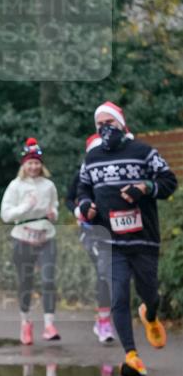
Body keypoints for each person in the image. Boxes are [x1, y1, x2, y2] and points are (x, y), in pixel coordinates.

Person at [77, 101, 178, 376]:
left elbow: (169, 181)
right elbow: (82, 188)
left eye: (109, 123)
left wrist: (145, 187)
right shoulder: (92, 158)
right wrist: (85, 205)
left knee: (149, 294)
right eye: (99, 125)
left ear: (121, 124)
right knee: (119, 296)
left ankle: (151, 314)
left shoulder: (143, 152)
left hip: (143, 239)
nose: (104, 129)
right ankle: (132, 356)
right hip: (110, 241)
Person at [0, 138, 60, 345]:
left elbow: (55, 207)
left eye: (36, 163)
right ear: (23, 165)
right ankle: (25, 323)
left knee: (48, 280)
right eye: (30, 163)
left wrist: (54, 214)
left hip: (46, 237)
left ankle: (49, 325)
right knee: (26, 282)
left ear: (41, 165)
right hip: (22, 238)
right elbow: (6, 215)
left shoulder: (49, 185)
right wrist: (25, 207)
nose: (33, 166)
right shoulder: (15, 186)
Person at [65, 133, 116, 344]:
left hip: (116, 231)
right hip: (91, 231)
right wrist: (79, 210)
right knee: (103, 273)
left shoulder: (114, 172)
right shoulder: (82, 174)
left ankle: (107, 317)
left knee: (116, 274)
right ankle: (104, 321)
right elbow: (68, 199)